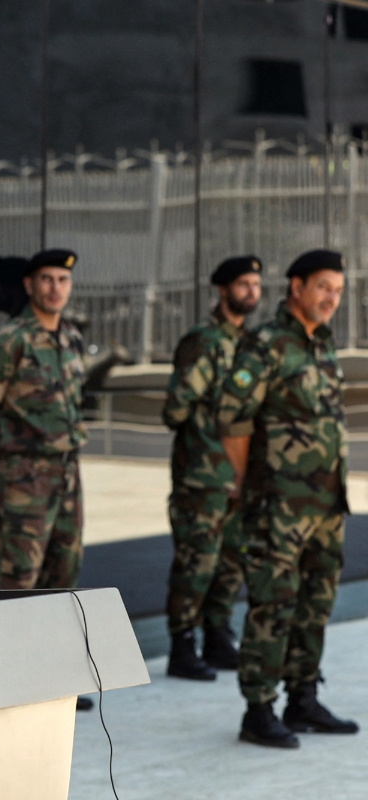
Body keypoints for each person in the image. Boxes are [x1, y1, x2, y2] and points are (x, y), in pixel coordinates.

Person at [216, 249, 360, 748]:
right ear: (296, 287)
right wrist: (247, 481)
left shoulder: (322, 343)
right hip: (278, 506)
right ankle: (259, 710)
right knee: (273, 605)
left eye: (338, 290)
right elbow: (232, 419)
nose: (332, 298)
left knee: (315, 604)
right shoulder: (266, 344)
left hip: (326, 505)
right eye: (324, 287)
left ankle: (303, 698)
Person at [162, 256, 262, 682]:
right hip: (202, 475)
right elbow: (175, 409)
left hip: (240, 474)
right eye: (243, 284)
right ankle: (183, 645)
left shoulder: (252, 344)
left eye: (256, 284)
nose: (252, 291)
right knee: (196, 561)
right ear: (223, 290)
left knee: (231, 560)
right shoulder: (203, 341)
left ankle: (218, 636)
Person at [0, 249, 87, 591]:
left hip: (67, 472)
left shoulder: (71, 337)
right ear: (29, 285)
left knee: (64, 574)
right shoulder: (11, 339)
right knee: (17, 578)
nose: (55, 288)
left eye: (63, 280)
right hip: (25, 476)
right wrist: (10, 453)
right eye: (46, 279)